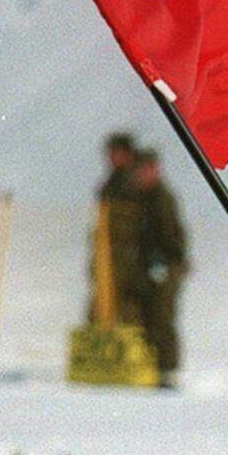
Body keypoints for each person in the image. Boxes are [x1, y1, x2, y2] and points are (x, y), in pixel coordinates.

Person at [132, 148, 189, 387]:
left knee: (162, 318)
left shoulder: (162, 199)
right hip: (151, 269)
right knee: (150, 317)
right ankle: (154, 368)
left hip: (165, 268)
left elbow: (170, 237)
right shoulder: (143, 197)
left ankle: (167, 370)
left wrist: (165, 263)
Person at [89, 132, 144, 327]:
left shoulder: (136, 183)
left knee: (129, 314)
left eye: (115, 152)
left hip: (130, 261)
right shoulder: (113, 183)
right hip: (109, 258)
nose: (111, 157)